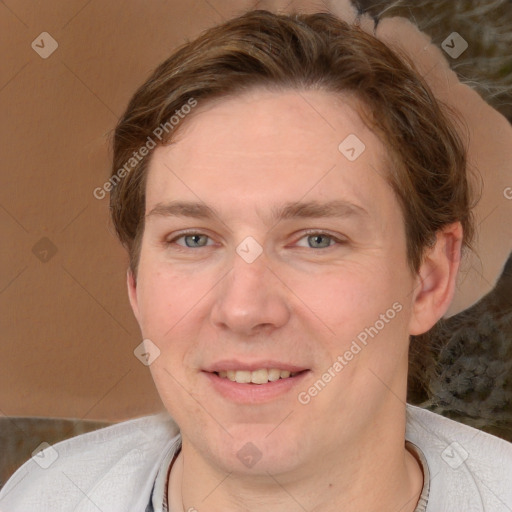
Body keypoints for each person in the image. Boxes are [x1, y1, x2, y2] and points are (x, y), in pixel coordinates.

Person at [1, 5, 512, 512]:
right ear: (136, 284)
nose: (244, 310)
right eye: (193, 240)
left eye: (316, 240)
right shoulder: (44, 497)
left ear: (428, 279)